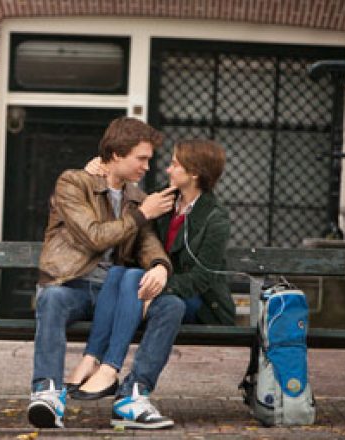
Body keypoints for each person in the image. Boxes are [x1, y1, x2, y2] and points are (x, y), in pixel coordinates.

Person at [28, 117, 185, 430]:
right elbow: (94, 236)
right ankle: (48, 393)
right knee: (51, 299)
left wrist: (160, 265)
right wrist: (143, 214)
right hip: (73, 286)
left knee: (171, 306)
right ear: (116, 154)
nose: (147, 167)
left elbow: (147, 243)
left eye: (149, 159)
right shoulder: (74, 183)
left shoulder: (137, 198)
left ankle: (133, 396)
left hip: (114, 293)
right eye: (141, 158)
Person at [68, 139, 234, 428]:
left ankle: (113, 372)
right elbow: (128, 221)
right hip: (157, 294)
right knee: (123, 275)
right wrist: (98, 173)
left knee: (165, 300)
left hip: (199, 301)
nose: (168, 169)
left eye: (175, 164)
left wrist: (157, 288)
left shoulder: (215, 218)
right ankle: (122, 386)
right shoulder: (165, 200)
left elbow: (201, 279)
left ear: (194, 173)